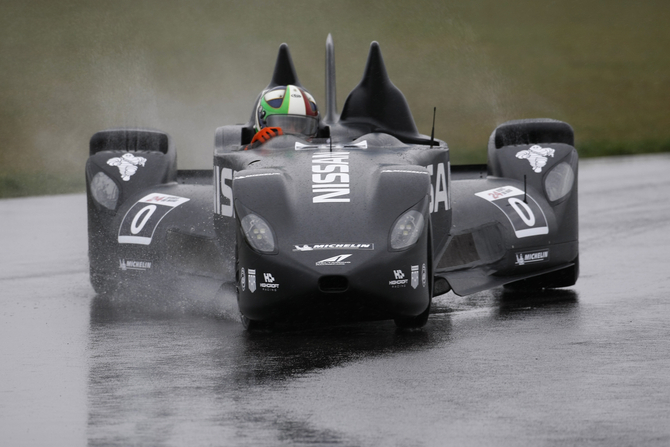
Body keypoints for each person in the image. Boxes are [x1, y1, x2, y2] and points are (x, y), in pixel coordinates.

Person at [246, 85, 319, 149]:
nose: (293, 131)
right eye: (285, 125)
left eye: (299, 126)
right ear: (262, 122)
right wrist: (255, 147)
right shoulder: (245, 152)